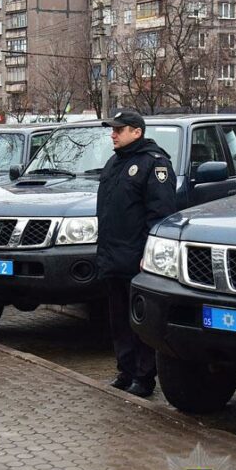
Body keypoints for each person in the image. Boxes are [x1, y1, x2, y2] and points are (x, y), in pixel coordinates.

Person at [96, 110, 177, 398]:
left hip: (136, 258)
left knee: (140, 320)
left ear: (136, 132)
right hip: (112, 256)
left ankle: (144, 377)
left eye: (119, 129)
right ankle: (126, 369)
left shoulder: (154, 164)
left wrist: (149, 253)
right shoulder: (114, 163)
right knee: (118, 319)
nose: (113, 134)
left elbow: (160, 215)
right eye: (112, 129)